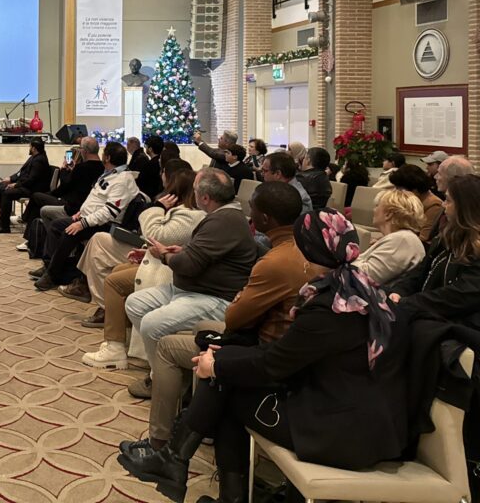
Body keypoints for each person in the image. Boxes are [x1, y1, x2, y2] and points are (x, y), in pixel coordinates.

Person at [118, 208, 409, 503]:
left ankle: (179, 464)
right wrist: (226, 359)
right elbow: (287, 351)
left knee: (227, 388)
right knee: (228, 372)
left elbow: (274, 363)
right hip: (350, 411)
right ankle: (179, 464)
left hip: (343, 431)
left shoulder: (330, 307)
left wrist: (218, 366)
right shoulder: (357, 290)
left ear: (307, 252)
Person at [131, 183, 327, 456]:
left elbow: (235, 318)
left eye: (253, 209)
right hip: (285, 348)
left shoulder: (275, 261)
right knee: (202, 331)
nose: (248, 213)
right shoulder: (301, 251)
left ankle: (160, 443)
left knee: (167, 345)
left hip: (267, 352)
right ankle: (190, 409)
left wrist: (240, 298)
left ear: (265, 218)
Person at [120, 169, 257, 394]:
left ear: (205, 198)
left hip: (213, 297)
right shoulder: (221, 215)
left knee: (152, 324)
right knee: (136, 303)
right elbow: (200, 254)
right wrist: (180, 251)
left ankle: (166, 385)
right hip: (193, 289)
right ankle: (163, 370)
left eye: (195, 191)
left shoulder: (224, 220)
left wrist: (164, 255)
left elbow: (188, 265)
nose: (192, 195)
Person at [74, 162, 201, 328]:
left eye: (163, 172)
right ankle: (100, 300)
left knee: (107, 267)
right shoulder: (176, 206)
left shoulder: (188, 213)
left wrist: (156, 207)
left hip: (163, 264)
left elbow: (155, 236)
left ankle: (107, 310)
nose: (161, 175)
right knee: (97, 242)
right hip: (151, 251)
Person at [31, 141, 139, 291]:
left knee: (70, 231)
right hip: (90, 218)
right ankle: (50, 266)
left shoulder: (122, 180)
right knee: (56, 226)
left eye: (104, 153)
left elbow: (109, 212)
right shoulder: (111, 174)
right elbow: (96, 198)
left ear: (107, 157)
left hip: (106, 224)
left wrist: (82, 223)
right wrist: (81, 213)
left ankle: (52, 276)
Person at [390, 174, 480, 327]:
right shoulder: (445, 238)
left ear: (464, 207)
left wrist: (407, 303)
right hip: (423, 313)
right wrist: (399, 292)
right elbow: (419, 273)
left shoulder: (475, 250)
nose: (443, 205)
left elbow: (457, 296)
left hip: (453, 326)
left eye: (448, 200)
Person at [19, 136, 103, 231]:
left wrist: (63, 170)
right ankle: (31, 228)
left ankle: (29, 227)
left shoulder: (80, 168)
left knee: (37, 197)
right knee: (38, 199)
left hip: (71, 206)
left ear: (84, 151)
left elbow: (64, 187)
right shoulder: (103, 168)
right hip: (85, 206)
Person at [352, 187, 425, 286]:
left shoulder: (402, 240)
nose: (374, 210)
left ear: (388, 214)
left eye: (377, 206)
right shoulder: (401, 238)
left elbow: (363, 276)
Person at [0, 139, 52, 234]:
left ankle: (4, 226)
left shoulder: (39, 160)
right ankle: (4, 217)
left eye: (30, 146)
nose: (29, 148)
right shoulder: (34, 157)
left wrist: (16, 185)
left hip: (32, 189)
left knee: (6, 193)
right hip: (24, 184)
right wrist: (10, 179)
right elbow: (21, 173)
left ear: (34, 148)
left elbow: (31, 180)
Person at [389, 163, 444, 248]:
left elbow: (423, 238)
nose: (396, 192)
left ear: (414, 190)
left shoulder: (434, 205)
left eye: (399, 189)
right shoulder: (408, 201)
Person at [137, 136, 165, 202]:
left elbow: (140, 183)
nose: (145, 148)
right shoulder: (164, 162)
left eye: (146, 146)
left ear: (150, 149)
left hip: (150, 198)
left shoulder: (148, 165)